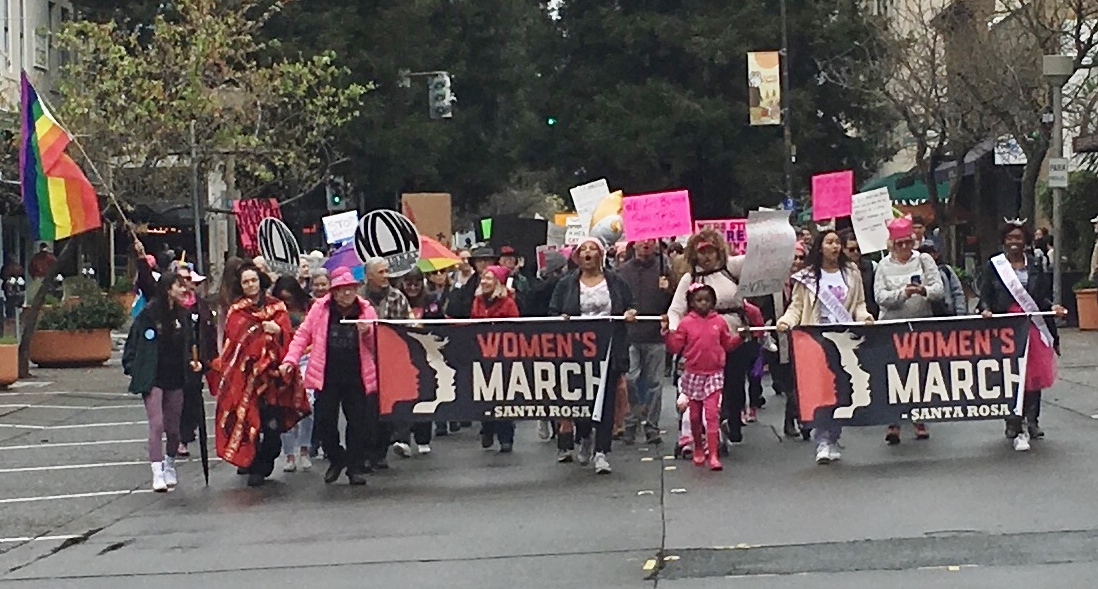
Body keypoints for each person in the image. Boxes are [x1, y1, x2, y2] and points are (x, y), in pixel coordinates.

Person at [777, 229, 874, 464]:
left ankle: (833, 436)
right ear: (820, 247)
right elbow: (797, 307)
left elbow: (859, 303)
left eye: (837, 243)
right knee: (821, 390)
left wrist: (864, 317)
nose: (835, 247)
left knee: (842, 389)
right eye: (830, 242)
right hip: (816, 340)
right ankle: (821, 440)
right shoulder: (807, 276)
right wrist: (786, 322)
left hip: (844, 337)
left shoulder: (851, 273)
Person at [213, 262, 310, 487]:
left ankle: (265, 462)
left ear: (260, 281)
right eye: (246, 282)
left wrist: (278, 332)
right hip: (247, 379)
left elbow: (289, 336)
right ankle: (252, 465)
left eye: (253, 280)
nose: (250, 285)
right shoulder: (237, 311)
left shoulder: (278, 307)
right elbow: (234, 344)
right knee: (250, 424)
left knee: (274, 428)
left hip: (274, 379)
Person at [281, 266, 378, 485]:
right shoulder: (320, 309)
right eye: (342, 289)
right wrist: (290, 360)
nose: (347, 294)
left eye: (351, 289)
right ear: (333, 292)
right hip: (327, 376)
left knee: (357, 423)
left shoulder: (366, 311)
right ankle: (336, 457)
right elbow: (303, 335)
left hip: (356, 376)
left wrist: (368, 332)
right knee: (325, 422)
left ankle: (354, 467)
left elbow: (377, 346)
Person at [976, 221, 1067, 451]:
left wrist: (1053, 307)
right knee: (1010, 374)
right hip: (1006, 326)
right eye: (1010, 238)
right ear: (1004, 241)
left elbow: (1042, 296)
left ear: (1025, 241)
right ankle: (1013, 420)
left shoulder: (1036, 264)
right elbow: (985, 293)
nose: (1014, 242)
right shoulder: (994, 265)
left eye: (1018, 238)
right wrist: (985, 308)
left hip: (1032, 324)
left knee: (1033, 375)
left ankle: (1033, 420)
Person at [550, 237, 637, 474]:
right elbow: (553, 310)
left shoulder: (616, 282)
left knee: (607, 400)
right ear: (577, 257)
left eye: (593, 249)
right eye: (583, 250)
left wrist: (630, 313)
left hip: (609, 349)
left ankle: (602, 452)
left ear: (601, 255)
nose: (588, 253)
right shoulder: (567, 284)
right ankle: (585, 435)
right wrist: (562, 319)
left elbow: (630, 305)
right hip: (577, 352)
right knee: (583, 400)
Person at [666, 228, 751, 444]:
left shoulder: (731, 268)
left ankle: (733, 418)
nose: (706, 256)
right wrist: (677, 333)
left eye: (711, 251)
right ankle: (710, 424)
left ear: (718, 251)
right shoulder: (690, 278)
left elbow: (757, 259)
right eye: (702, 252)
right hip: (703, 341)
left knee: (735, 381)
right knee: (708, 386)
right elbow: (675, 309)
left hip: (734, 333)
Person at [123, 273, 205, 492]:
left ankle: (169, 463)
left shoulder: (184, 315)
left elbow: (191, 345)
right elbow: (133, 343)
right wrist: (133, 368)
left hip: (176, 377)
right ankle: (157, 471)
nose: (184, 289)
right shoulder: (148, 315)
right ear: (169, 289)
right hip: (153, 377)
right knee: (156, 424)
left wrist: (194, 364)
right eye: (180, 285)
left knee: (173, 428)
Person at [874, 216, 944, 444]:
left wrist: (923, 291)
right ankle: (893, 421)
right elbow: (880, 298)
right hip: (892, 327)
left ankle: (919, 418)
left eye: (907, 242)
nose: (904, 247)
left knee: (919, 374)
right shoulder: (883, 266)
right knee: (894, 374)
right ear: (891, 245)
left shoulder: (924, 260)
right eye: (899, 243)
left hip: (920, 325)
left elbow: (938, 289)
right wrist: (902, 293)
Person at [662, 283, 742, 471]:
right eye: (699, 300)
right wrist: (666, 333)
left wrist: (740, 338)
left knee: (712, 413)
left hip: (714, 373)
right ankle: (698, 447)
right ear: (691, 303)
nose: (703, 304)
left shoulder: (720, 322)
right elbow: (675, 346)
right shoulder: (686, 323)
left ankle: (713, 454)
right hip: (693, 374)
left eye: (707, 300)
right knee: (695, 416)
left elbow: (728, 344)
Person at [618, 238, 673, 445]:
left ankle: (652, 426)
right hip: (630, 334)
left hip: (655, 335)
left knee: (655, 383)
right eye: (642, 240)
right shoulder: (623, 271)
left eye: (651, 240)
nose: (646, 244)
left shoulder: (665, 270)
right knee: (630, 379)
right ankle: (631, 422)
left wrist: (668, 289)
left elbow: (676, 301)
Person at [362, 257, 413, 467]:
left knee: (388, 408)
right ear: (369, 276)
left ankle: (380, 451)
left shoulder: (397, 297)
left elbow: (407, 326)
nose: (385, 276)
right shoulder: (358, 299)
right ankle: (365, 452)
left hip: (391, 360)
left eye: (386, 272)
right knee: (366, 410)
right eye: (381, 272)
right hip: (364, 361)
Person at [473, 265, 522, 453]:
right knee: (484, 394)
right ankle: (487, 428)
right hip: (483, 354)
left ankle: (505, 437)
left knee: (503, 397)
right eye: (483, 278)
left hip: (503, 355)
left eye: (489, 278)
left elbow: (515, 327)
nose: (485, 282)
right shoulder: (477, 301)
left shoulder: (508, 303)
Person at [171, 262, 217, 458]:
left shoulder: (200, 304)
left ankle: (186, 436)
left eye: (188, 279)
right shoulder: (170, 305)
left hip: (197, 359)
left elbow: (209, 331)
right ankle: (177, 434)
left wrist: (211, 359)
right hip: (174, 360)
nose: (186, 284)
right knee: (175, 399)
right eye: (180, 280)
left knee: (192, 398)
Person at [272, 276, 315, 472]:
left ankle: (304, 449)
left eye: (289, 298)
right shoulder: (272, 308)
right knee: (284, 406)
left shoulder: (311, 305)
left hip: (307, 358)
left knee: (308, 405)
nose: (286, 302)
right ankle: (289, 454)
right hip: (282, 360)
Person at [395, 268, 433, 454]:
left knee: (425, 395)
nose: (412, 287)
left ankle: (423, 438)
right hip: (401, 357)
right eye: (408, 283)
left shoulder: (430, 301)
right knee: (403, 397)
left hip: (426, 355)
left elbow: (440, 324)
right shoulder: (397, 300)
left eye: (416, 283)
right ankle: (402, 439)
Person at [918, 240, 966, 316]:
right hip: (926, 315)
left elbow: (957, 291)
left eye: (929, 253)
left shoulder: (945, 270)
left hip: (947, 313)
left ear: (936, 254)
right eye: (922, 253)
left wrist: (960, 312)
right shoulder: (917, 271)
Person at [449, 246, 499, 318]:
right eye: (479, 261)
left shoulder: (502, 280)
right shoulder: (470, 284)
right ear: (474, 264)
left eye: (486, 260)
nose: (483, 263)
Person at [843, 233, 879, 318]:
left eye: (858, 249)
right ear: (843, 249)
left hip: (871, 315)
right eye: (851, 249)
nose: (856, 252)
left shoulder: (872, 266)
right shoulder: (839, 270)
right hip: (847, 315)